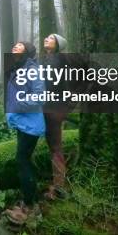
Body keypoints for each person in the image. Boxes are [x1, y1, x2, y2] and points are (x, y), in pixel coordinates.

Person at [4, 41, 46, 225]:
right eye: (14, 46)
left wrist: (19, 104)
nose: (15, 47)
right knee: (25, 160)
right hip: (23, 123)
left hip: (31, 125)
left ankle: (30, 206)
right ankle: (30, 199)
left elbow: (40, 95)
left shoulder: (32, 69)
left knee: (22, 160)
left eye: (20, 46)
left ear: (27, 51)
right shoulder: (18, 69)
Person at [40, 33, 69, 200]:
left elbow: (50, 85)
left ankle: (59, 188)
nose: (46, 39)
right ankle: (58, 184)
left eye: (51, 38)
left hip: (52, 110)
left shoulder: (57, 60)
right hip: (52, 109)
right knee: (54, 146)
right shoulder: (51, 59)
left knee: (56, 147)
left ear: (58, 44)